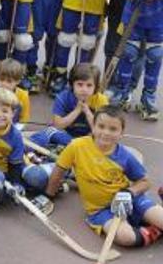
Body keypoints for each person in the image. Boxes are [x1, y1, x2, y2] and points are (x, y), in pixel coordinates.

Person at [40, 106, 163, 248]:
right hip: (100, 210)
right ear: (93, 127)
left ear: (121, 133)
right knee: (126, 238)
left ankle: (151, 223)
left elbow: (145, 182)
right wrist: (49, 195)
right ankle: (153, 230)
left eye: (113, 129)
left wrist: (129, 193)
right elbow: (58, 171)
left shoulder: (125, 156)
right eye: (101, 126)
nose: (106, 133)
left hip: (128, 199)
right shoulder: (76, 146)